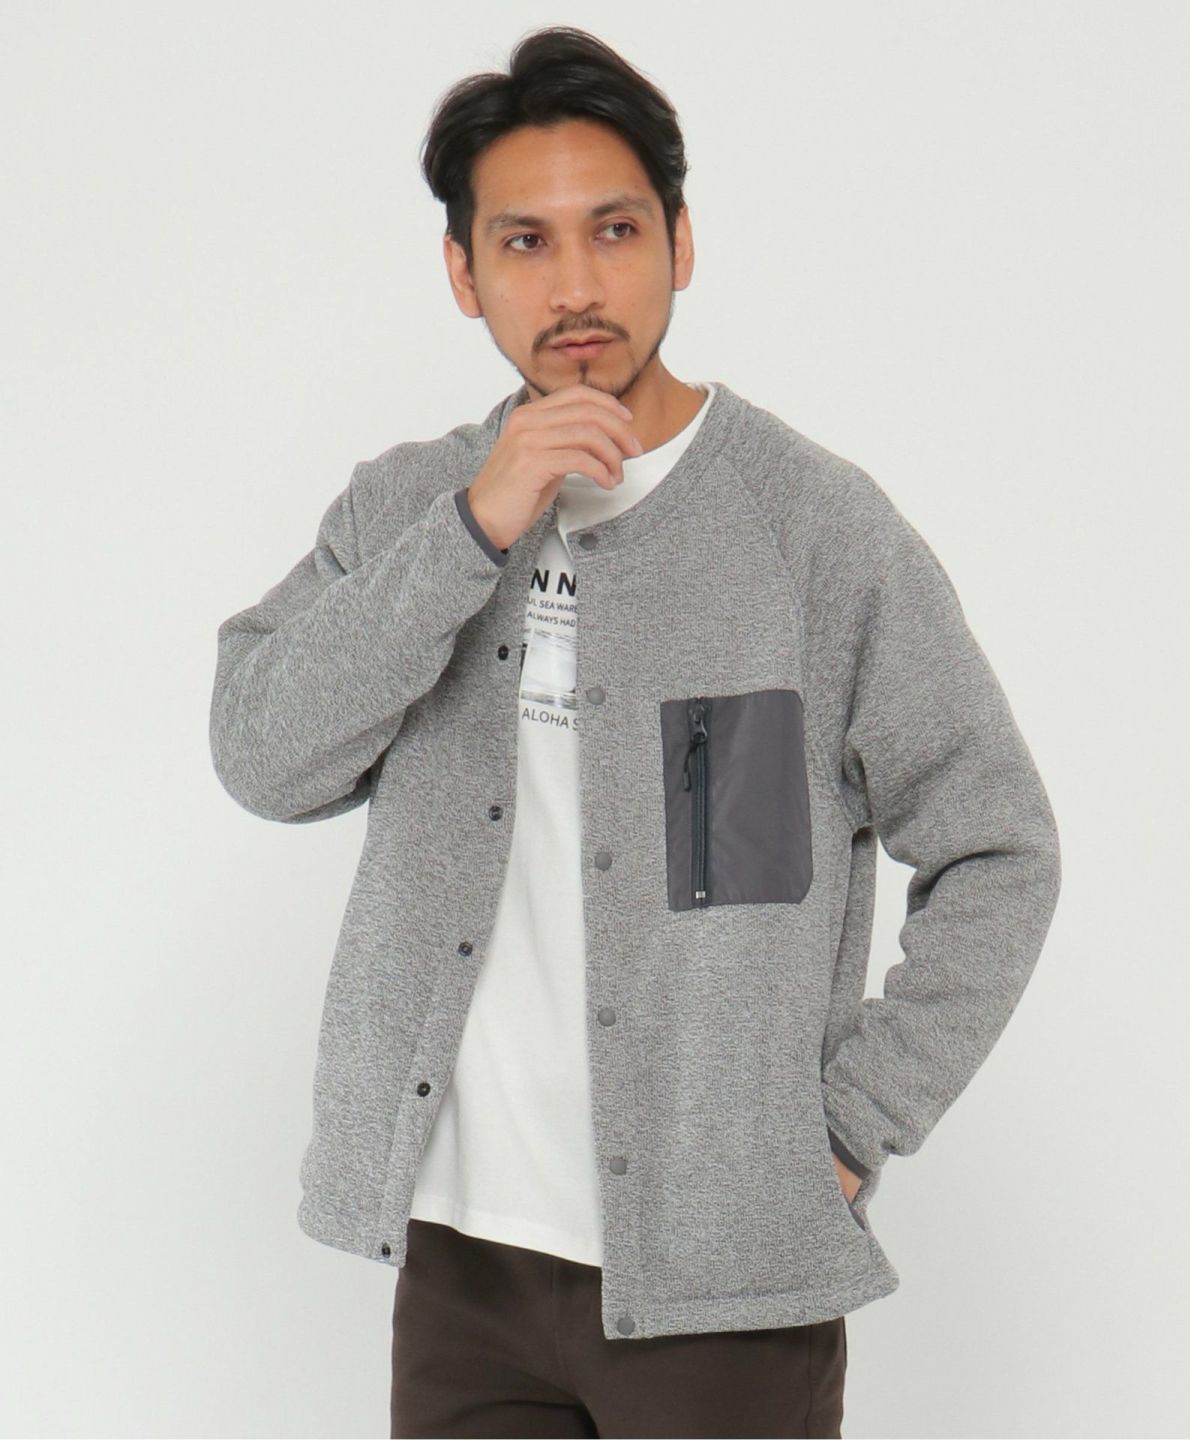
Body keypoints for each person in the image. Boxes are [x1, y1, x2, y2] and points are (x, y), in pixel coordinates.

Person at [208, 24, 1062, 1440]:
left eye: (614, 230)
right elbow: (262, 754)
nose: (577, 286)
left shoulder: (814, 532)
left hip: (723, 1285)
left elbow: (1000, 850)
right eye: (525, 243)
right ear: (463, 273)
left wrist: (851, 1125)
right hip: (463, 1269)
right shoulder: (409, 505)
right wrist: (475, 527)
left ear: (681, 242)